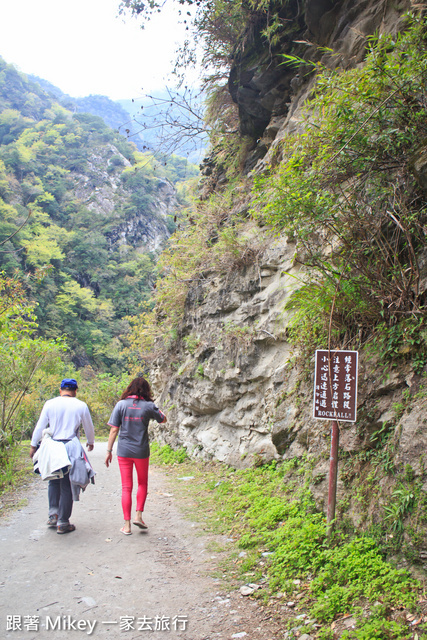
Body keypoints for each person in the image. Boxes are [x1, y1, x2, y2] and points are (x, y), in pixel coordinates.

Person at [30, 378, 95, 534]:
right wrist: (90, 441)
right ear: (75, 391)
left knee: (53, 480)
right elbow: (88, 426)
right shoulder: (81, 405)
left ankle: (53, 514)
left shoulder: (50, 404)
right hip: (70, 445)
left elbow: (40, 426)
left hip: (53, 445)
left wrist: (33, 445)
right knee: (67, 484)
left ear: (60, 390)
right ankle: (63, 522)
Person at [105, 377, 167, 535]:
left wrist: (109, 451)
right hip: (141, 451)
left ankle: (126, 526)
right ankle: (138, 516)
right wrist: (156, 409)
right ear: (146, 390)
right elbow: (163, 419)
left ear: (130, 388)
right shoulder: (148, 406)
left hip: (124, 451)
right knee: (142, 483)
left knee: (126, 487)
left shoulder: (121, 405)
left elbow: (113, 429)